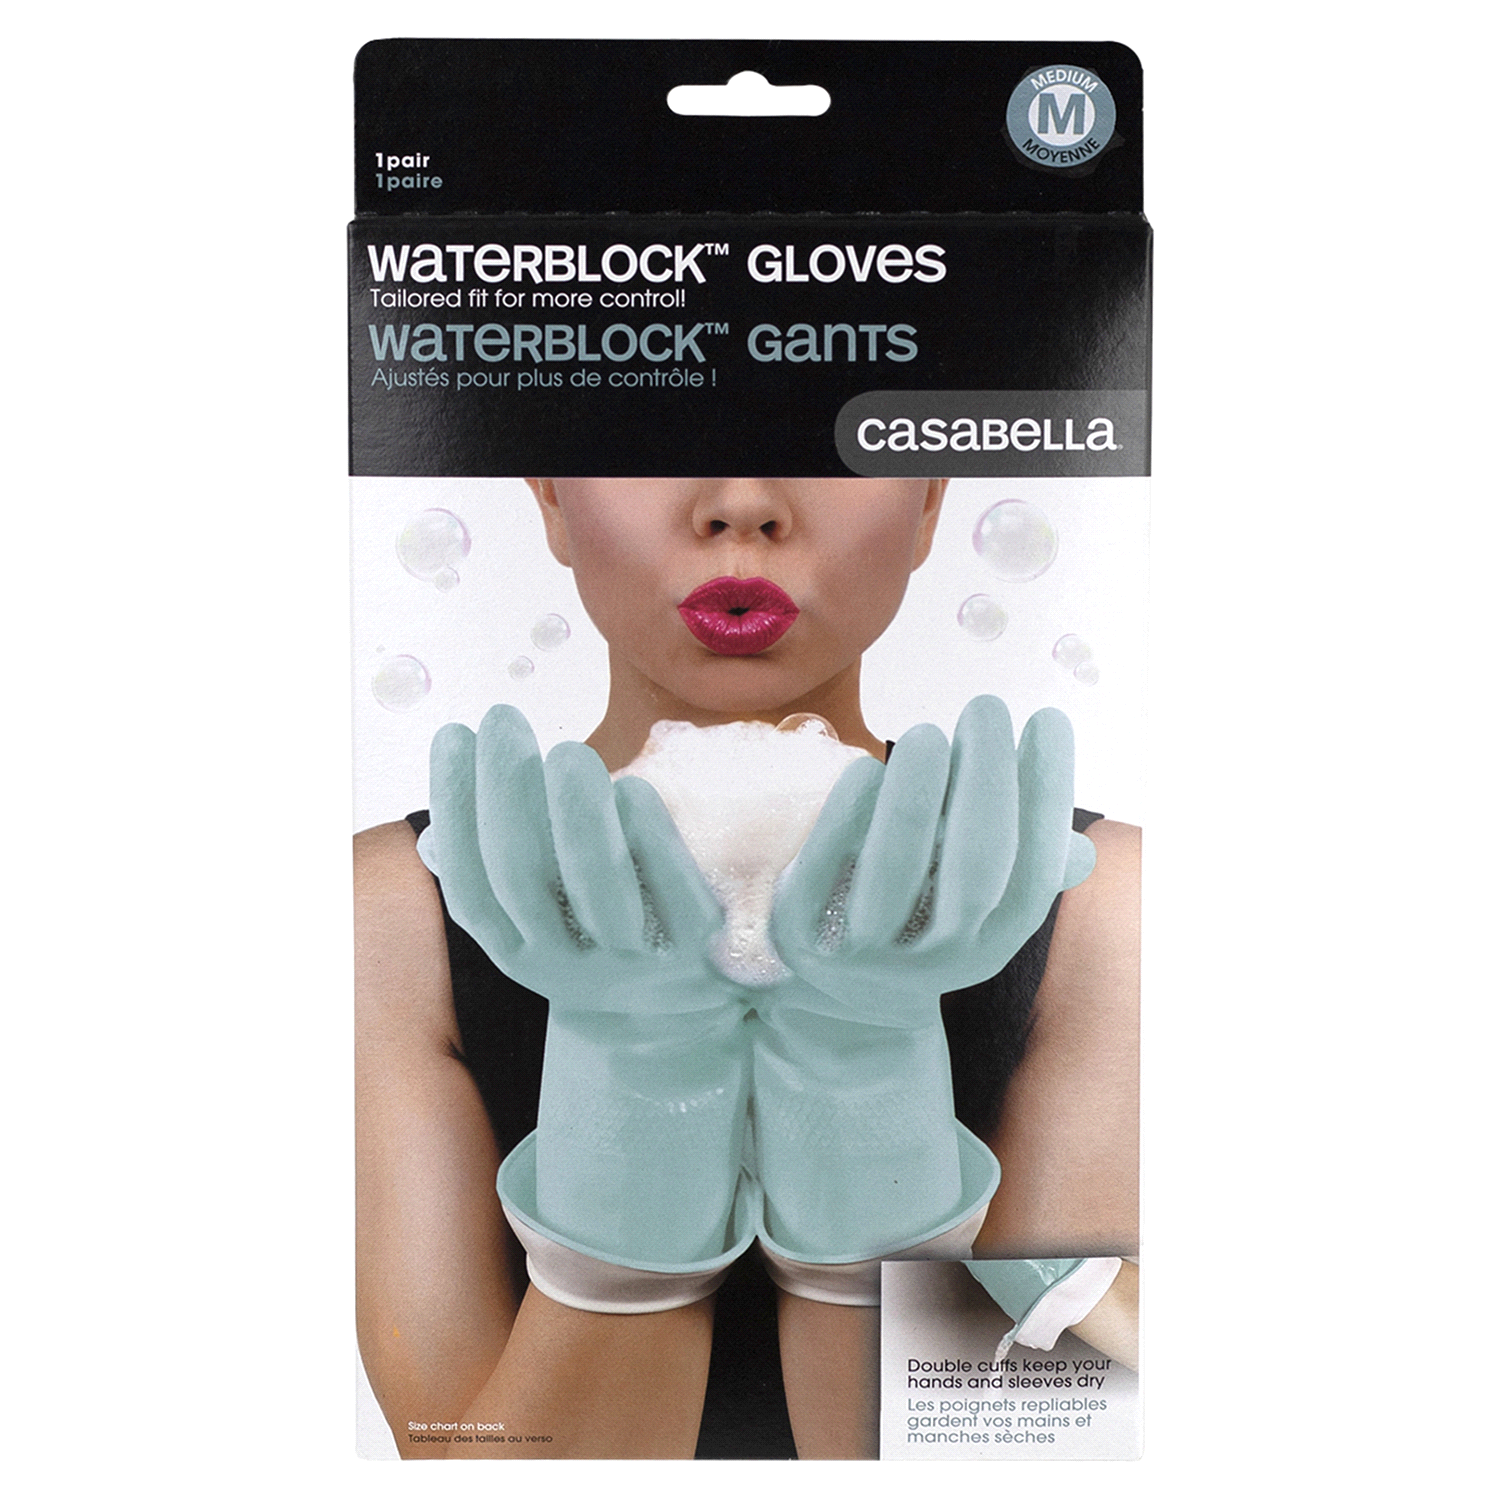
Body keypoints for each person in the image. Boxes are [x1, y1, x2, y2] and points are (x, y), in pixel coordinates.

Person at [354, 478, 1139, 1459]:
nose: (741, 504)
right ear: (552, 496)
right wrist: (637, 1083)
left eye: (826, 443)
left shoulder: (1103, 905)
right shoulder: (392, 912)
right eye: (659, 440)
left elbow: (1041, 1463)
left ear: (929, 501)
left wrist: (863, 1082)